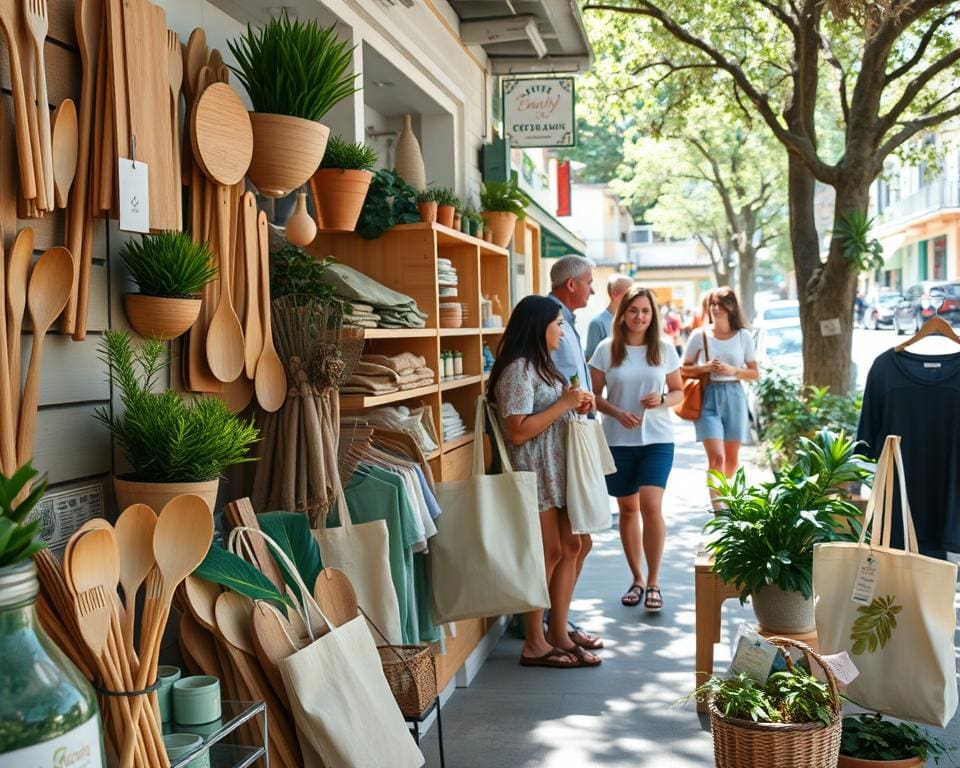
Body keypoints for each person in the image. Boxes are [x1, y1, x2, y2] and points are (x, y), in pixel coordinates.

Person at [486, 295, 600, 668]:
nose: (562, 332)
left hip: (554, 470)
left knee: (574, 544)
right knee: (547, 554)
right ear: (539, 327)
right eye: (557, 325)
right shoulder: (518, 369)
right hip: (533, 473)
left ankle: (559, 632)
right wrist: (563, 405)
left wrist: (574, 403)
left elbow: (551, 410)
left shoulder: (540, 365)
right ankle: (535, 641)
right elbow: (516, 431)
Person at [589, 286, 683, 612]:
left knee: (651, 506)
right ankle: (637, 579)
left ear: (652, 314)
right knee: (628, 510)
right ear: (623, 313)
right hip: (616, 441)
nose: (640, 317)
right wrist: (614, 411)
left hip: (657, 439)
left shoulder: (665, 349)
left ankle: (655, 581)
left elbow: (678, 392)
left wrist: (660, 401)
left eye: (645, 311)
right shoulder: (606, 349)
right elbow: (592, 396)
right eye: (633, 311)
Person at [546, 255, 605, 653]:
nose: (592, 290)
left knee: (580, 542)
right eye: (588, 283)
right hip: (558, 442)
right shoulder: (551, 321)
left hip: (576, 435)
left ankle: (559, 619)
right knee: (571, 544)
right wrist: (571, 401)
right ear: (571, 285)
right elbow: (549, 380)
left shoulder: (567, 321)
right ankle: (554, 624)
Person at [681, 286, 759, 508]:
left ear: (732, 306)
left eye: (721, 304)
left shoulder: (744, 336)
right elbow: (684, 369)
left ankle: (726, 497)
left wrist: (733, 370)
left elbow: (755, 373)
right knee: (717, 458)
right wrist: (705, 368)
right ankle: (720, 512)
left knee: (731, 459)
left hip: (734, 396)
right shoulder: (700, 335)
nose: (716, 308)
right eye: (712, 304)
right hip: (708, 397)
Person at [585, 275, 634, 360]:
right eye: (630, 293)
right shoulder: (597, 323)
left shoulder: (633, 321)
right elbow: (591, 360)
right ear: (615, 295)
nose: (635, 297)